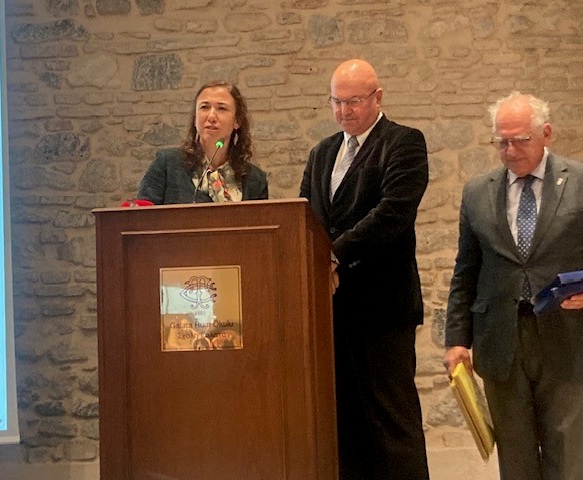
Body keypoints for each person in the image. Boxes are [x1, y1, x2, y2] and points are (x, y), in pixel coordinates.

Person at [300, 59, 429, 480]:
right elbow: (306, 217)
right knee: (346, 428)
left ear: (378, 97)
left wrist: (333, 255)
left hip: (383, 310)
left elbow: (393, 213)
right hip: (333, 311)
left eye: (354, 101)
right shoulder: (322, 153)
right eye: (336, 102)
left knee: (393, 424)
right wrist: (311, 259)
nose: (344, 111)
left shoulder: (404, 142)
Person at [444, 91, 583, 480]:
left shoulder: (579, 182)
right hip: (500, 341)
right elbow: (466, 270)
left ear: (546, 133)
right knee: (515, 458)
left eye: (520, 140)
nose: (509, 151)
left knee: (567, 455)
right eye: (501, 142)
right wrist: (456, 340)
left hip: (567, 339)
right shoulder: (477, 192)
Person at [137, 81, 268, 204]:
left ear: (237, 121)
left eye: (221, 108)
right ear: (195, 119)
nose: (211, 116)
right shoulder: (167, 164)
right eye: (204, 107)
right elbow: (142, 217)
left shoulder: (255, 179)